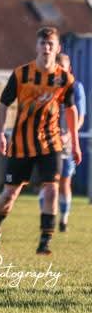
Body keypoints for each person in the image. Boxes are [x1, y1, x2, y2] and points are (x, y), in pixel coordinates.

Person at [0, 27, 81, 255]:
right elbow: (4, 104)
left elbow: (71, 110)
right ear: (36, 46)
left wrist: (74, 143)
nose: (46, 48)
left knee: (52, 189)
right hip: (21, 145)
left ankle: (45, 242)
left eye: (51, 44)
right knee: (9, 195)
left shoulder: (64, 79)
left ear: (58, 48)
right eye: (43, 44)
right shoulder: (21, 74)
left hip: (51, 144)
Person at [53, 53, 85, 231]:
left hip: (66, 142)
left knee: (64, 181)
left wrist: (69, 136)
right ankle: (47, 224)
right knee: (49, 181)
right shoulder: (46, 85)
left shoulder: (76, 87)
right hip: (48, 141)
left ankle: (63, 219)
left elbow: (79, 116)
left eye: (62, 68)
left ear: (68, 69)